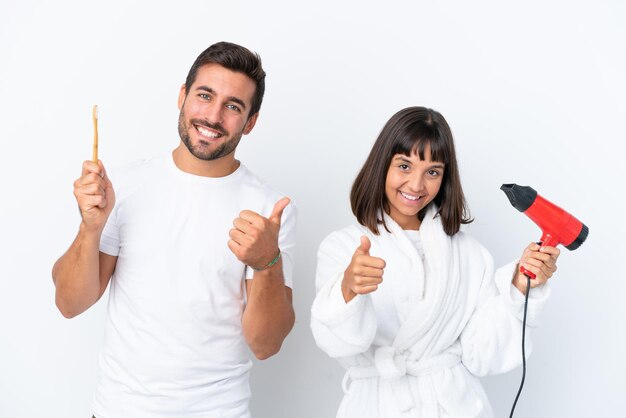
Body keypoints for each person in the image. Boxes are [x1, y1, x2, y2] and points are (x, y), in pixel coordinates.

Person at [52, 41, 296, 418]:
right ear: (182, 96)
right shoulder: (126, 186)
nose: (213, 116)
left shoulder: (269, 210)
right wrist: (90, 228)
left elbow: (265, 345)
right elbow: (70, 304)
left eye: (233, 106)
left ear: (250, 122)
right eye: (204, 95)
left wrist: (267, 262)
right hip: (120, 409)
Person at [310, 106, 559, 418]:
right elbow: (338, 345)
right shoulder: (343, 247)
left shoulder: (470, 255)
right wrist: (348, 290)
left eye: (432, 172)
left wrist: (520, 288)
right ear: (381, 166)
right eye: (404, 166)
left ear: (445, 178)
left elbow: (484, 356)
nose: (416, 185)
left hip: (454, 405)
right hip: (376, 405)